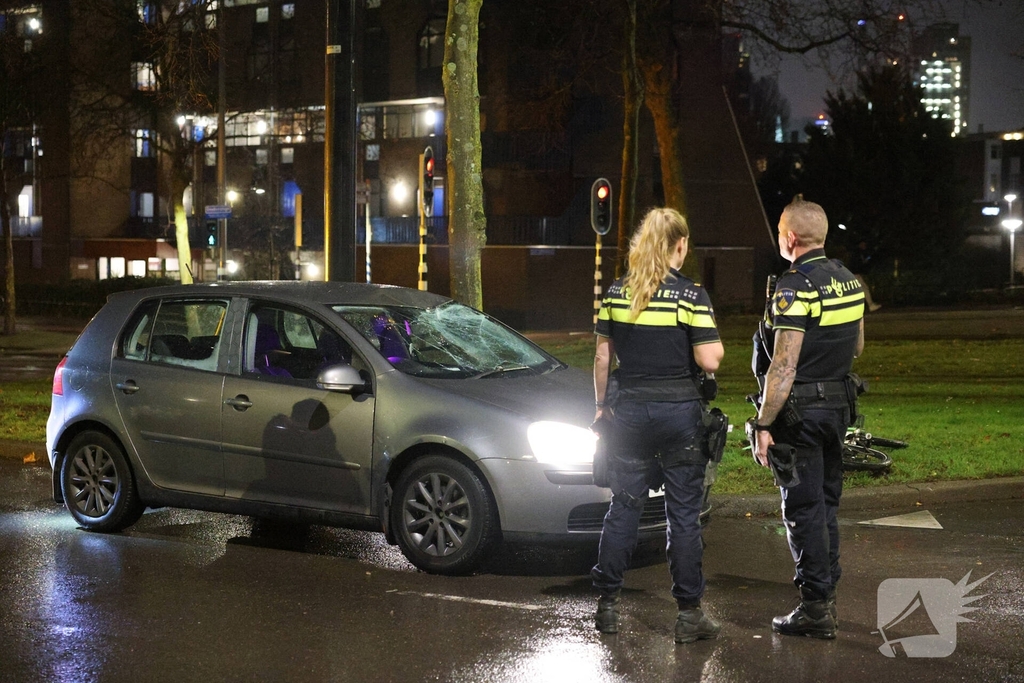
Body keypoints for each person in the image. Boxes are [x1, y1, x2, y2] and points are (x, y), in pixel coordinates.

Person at [591, 207, 725, 644]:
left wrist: (599, 407)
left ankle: (607, 606)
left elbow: (602, 358)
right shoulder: (691, 295)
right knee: (682, 516)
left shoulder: (617, 292)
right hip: (679, 416)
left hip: (628, 413)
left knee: (624, 506)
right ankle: (689, 615)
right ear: (680, 246)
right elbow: (710, 359)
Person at [751, 197, 865, 639]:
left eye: (780, 230)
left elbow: (783, 366)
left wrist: (763, 424)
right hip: (838, 409)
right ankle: (826, 596)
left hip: (799, 415)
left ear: (790, 237)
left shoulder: (793, 287)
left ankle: (815, 607)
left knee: (802, 509)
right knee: (826, 505)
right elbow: (856, 348)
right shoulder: (849, 281)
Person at [847, 240, 881, 312]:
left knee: (859, 289)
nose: (864, 246)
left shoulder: (857, 252)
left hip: (853, 273)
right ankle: (870, 305)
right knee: (864, 288)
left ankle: (869, 305)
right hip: (855, 274)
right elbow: (857, 264)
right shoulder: (857, 253)